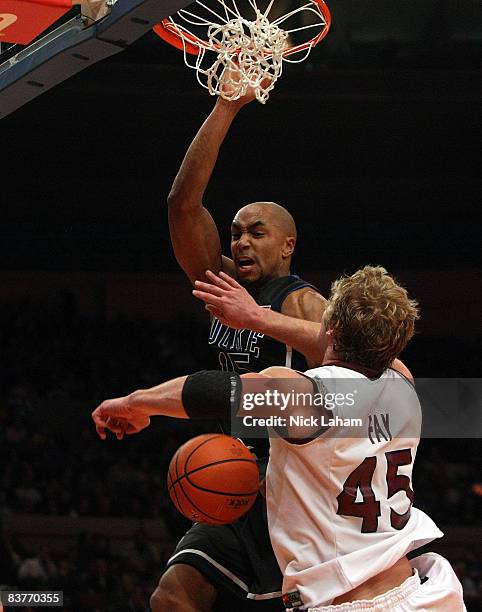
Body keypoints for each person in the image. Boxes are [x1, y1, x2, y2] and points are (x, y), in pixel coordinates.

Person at [92, 265, 466, 611]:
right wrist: (256, 316)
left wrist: (135, 402)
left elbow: (212, 392)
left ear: (330, 326)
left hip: (352, 603)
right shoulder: (404, 385)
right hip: (422, 593)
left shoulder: (307, 396)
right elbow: (362, 352)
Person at [159, 77, 327, 611]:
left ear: (288, 244)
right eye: (236, 232)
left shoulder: (301, 301)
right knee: (173, 596)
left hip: (289, 481)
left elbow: (353, 369)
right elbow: (182, 207)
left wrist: (259, 320)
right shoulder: (221, 282)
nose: (242, 241)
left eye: (256, 232)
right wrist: (226, 106)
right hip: (233, 471)